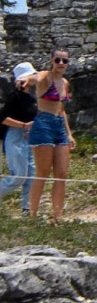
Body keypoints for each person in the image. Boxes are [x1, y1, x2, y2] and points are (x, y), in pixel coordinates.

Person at [24, 48, 77, 222]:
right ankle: (32, 213)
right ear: (51, 60)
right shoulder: (46, 76)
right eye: (58, 60)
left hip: (59, 125)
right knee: (43, 171)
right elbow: (35, 77)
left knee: (61, 173)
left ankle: (57, 215)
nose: (61, 64)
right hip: (43, 123)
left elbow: (62, 111)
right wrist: (27, 80)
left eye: (64, 61)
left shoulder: (65, 83)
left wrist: (69, 134)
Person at [0, 62, 38, 214]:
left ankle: (27, 208)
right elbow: (3, 118)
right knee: (19, 176)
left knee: (31, 175)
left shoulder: (31, 98)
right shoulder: (14, 97)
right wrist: (23, 125)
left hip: (29, 138)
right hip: (15, 136)